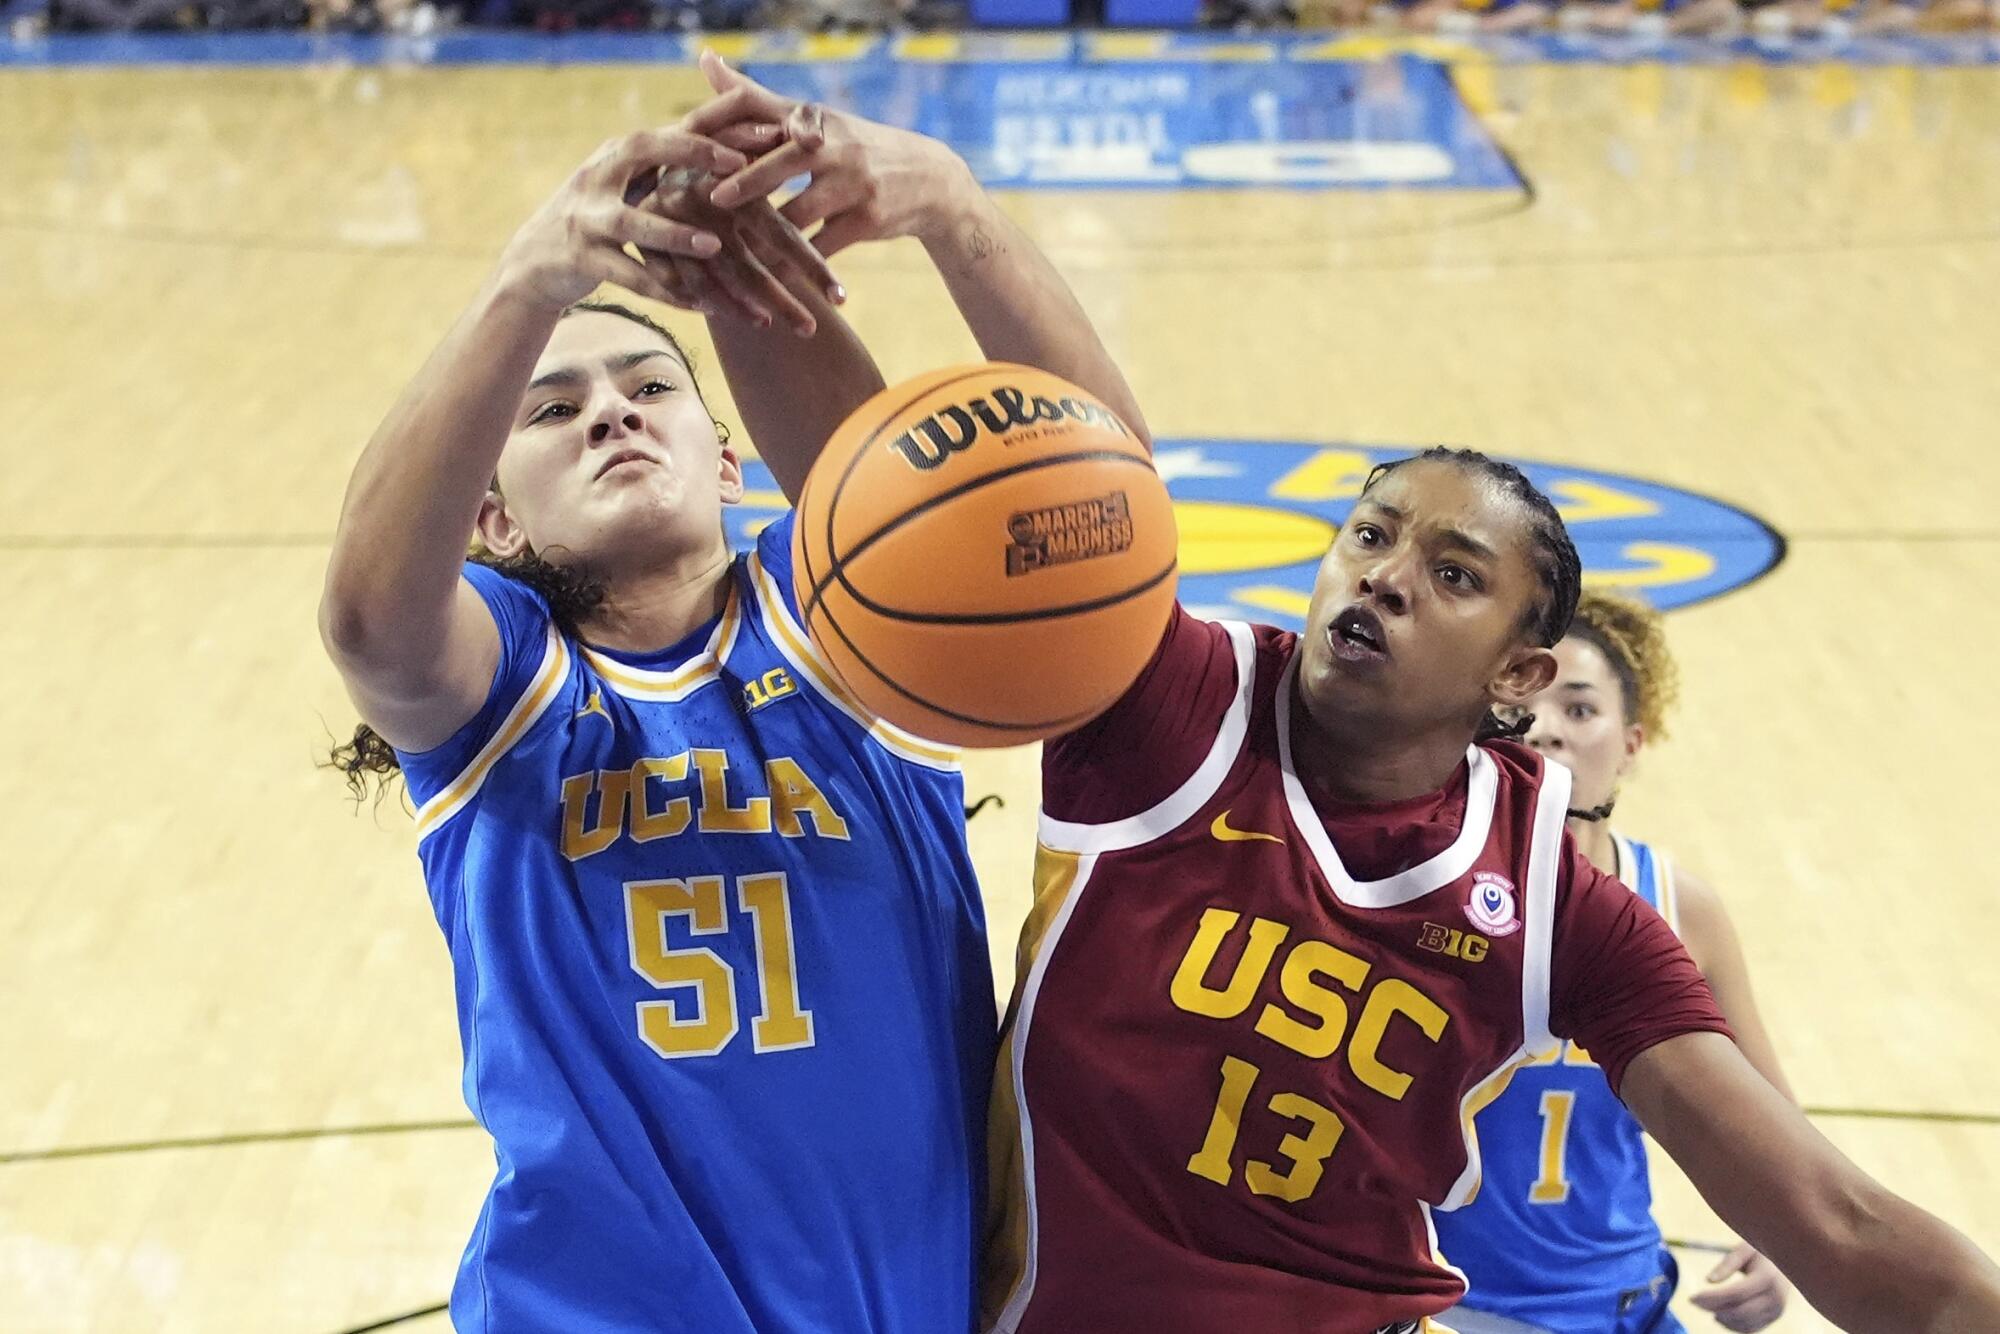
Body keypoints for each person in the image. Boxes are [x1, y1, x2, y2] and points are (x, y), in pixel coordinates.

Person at [320, 52, 1146, 1332]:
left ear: (731, 466)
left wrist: (946, 205)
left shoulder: (854, 629)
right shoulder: (509, 674)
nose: (612, 415)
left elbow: (1096, 514)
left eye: (653, 390)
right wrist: (527, 281)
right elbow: (370, 619)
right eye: (553, 409)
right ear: (489, 513)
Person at [982, 448, 2000, 1333]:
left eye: (1452, 573)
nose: (1383, 577)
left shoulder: (1566, 905)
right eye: (1368, 535)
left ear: (1517, 674)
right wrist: (957, 222)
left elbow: (1834, 1219)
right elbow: (1074, 474)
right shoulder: (1184, 706)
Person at [1433, 590, 1790, 1334]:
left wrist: (1778, 1244)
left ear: (1631, 744)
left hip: (1628, 1301)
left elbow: (1774, 1130)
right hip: (1456, 1310)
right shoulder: (1423, 895)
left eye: (1581, 710)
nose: (1548, 732)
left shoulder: (1680, 908)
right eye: (1527, 706)